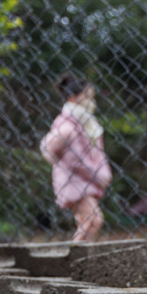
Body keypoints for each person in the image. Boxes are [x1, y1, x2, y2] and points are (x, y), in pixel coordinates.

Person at [40, 74, 112, 242]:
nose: (91, 101)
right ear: (73, 97)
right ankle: (74, 258)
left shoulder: (86, 123)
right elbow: (53, 150)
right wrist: (98, 175)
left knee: (90, 221)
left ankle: (77, 257)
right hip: (75, 181)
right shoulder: (67, 125)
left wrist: (101, 173)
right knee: (93, 220)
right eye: (87, 96)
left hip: (85, 180)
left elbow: (95, 153)